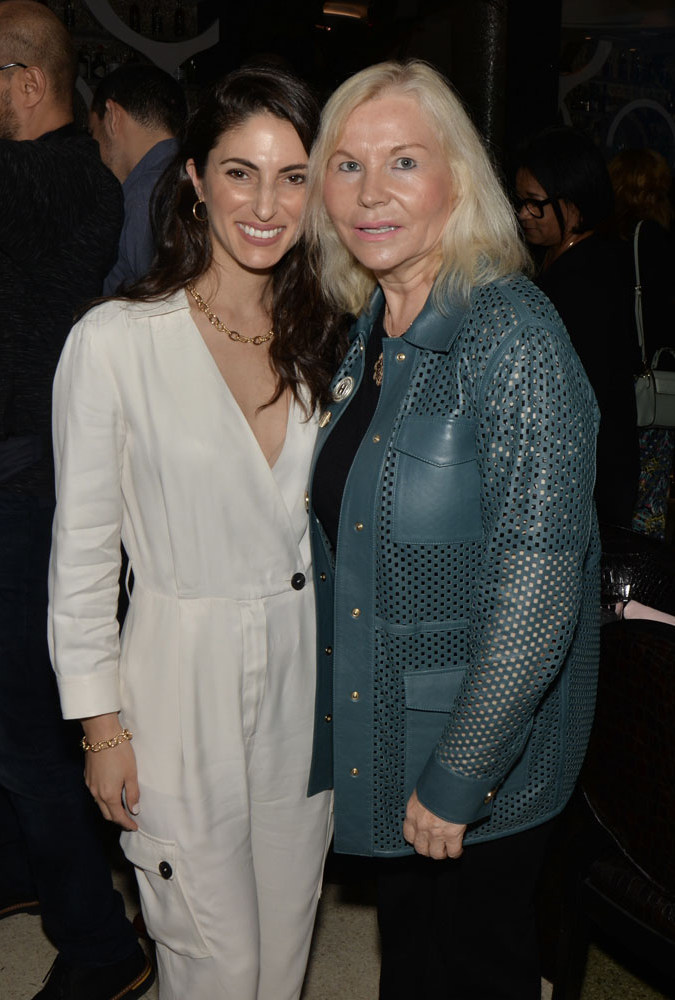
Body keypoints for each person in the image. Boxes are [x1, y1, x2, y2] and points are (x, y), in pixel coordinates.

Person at [48, 66, 348, 1000]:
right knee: (213, 967)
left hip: (304, 688)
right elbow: (85, 556)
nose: (266, 204)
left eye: (293, 176)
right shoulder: (115, 342)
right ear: (194, 178)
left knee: (282, 959)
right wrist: (102, 730)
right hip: (177, 682)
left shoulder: (333, 335)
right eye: (239, 172)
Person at [304, 60, 600, 1000]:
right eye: (346, 166)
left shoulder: (513, 335)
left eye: (402, 162)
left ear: (458, 180)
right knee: (413, 971)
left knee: (473, 973)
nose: (370, 192)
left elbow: (543, 587)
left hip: (482, 760)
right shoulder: (372, 326)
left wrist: (462, 770)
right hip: (389, 731)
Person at [0, 3, 152, 998]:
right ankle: (30, 874)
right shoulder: (78, 183)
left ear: (21, 80)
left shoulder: (40, 181)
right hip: (37, 485)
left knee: (23, 728)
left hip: (26, 492)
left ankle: (99, 941)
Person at [514, 126, 640, 527]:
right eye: (520, 202)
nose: (523, 214)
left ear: (573, 204)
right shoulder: (560, 262)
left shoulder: (588, 277)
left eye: (535, 204)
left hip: (582, 479)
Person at [608, 148, 675, 539]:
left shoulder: (604, 241)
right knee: (649, 494)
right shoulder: (654, 239)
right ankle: (640, 583)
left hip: (614, 380)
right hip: (648, 383)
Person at [88, 63, 188, 294]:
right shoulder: (190, 174)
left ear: (113, 117)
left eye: (93, 132)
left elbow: (155, 307)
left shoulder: (145, 194)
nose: (94, 149)